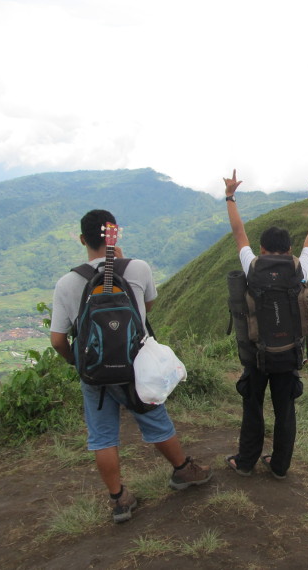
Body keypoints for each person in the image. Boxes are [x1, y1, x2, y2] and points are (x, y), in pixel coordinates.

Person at [50, 209, 212, 524]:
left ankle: (119, 499)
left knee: (102, 436)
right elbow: (146, 309)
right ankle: (183, 471)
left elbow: (58, 340)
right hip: (134, 367)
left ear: (83, 239)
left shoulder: (66, 283)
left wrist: (78, 362)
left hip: (94, 372)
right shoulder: (137, 268)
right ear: (115, 235)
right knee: (154, 418)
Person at [223, 169, 308, 479]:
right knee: (285, 411)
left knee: (253, 406)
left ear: (262, 248)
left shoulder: (252, 266)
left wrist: (230, 197)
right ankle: (280, 465)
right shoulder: (300, 267)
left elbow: (238, 232)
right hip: (288, 354)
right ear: (288, 249)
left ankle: (245, 462)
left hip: (258, 354)